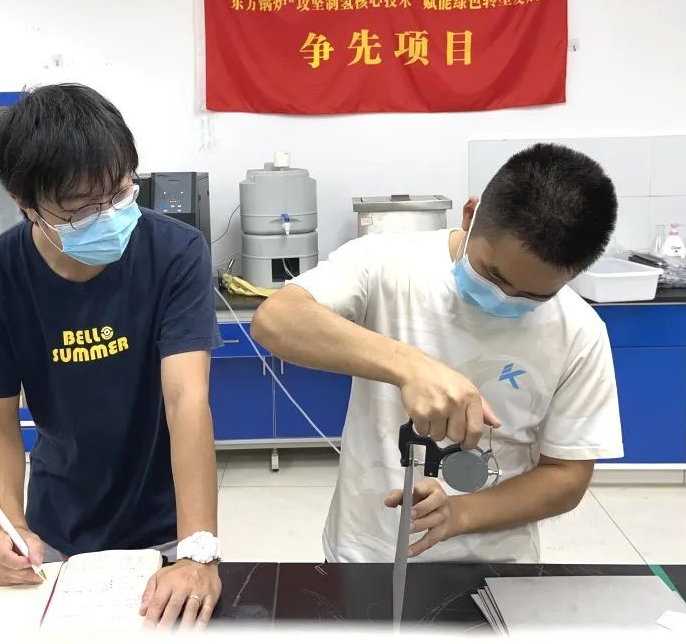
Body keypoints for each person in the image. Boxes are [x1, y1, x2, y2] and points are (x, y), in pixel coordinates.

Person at [251, 143, 623, 563]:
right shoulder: (386, 263)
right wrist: (410, 366)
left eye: (534, 295)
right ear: (471, 215)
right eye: (493, 274)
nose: (504, 298)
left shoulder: (579, 332)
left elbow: (566, 476)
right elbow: (276, 319)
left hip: (497, 567)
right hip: (365, 557)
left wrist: (461, 513)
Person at [0, 84, 222, 628]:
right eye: (80, 208)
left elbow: (187, 398)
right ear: (24, 203)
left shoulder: (175, 252)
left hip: (169, 521)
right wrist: (8, 529)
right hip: (55, 525)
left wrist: (198, 548)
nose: (108, 216)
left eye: (119, 193)